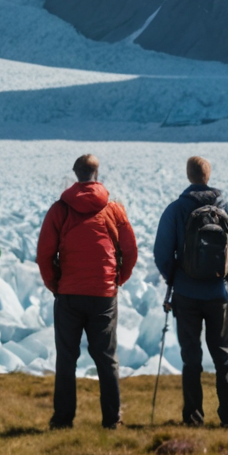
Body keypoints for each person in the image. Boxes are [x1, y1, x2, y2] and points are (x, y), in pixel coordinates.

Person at [36, 153, 138, 429]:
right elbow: (129, 251)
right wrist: (116, 281)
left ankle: (63, 420)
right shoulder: (113, 209)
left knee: (67, 359)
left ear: (75, 173)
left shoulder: (60, 209)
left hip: (69, 294)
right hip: (103, 294)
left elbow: (44, 254)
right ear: (96, 173)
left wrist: (55, 285)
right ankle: (112, 420)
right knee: (106, 358)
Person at [151, 155, 228, 427]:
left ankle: (194, 417)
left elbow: (161, 253)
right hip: (218, 295)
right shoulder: (227, 208)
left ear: (189, 176)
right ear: (208, 175)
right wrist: (226, 273)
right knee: (223, 356)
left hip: (186, 295)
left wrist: (175, 278)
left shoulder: (176, 210)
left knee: (191, 356)